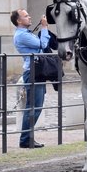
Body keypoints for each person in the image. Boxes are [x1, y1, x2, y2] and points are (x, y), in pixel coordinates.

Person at [12, 8, 51, 149]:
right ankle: (25, 139)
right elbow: (43, 44)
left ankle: (28, 137)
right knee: (33, 107)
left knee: (36, 106)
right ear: (18, 20)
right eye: (26, 16)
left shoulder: (26, 33)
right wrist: (45, 27)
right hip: (32, 71)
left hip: (37, 71)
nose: (29, 17)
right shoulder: (22, 35)